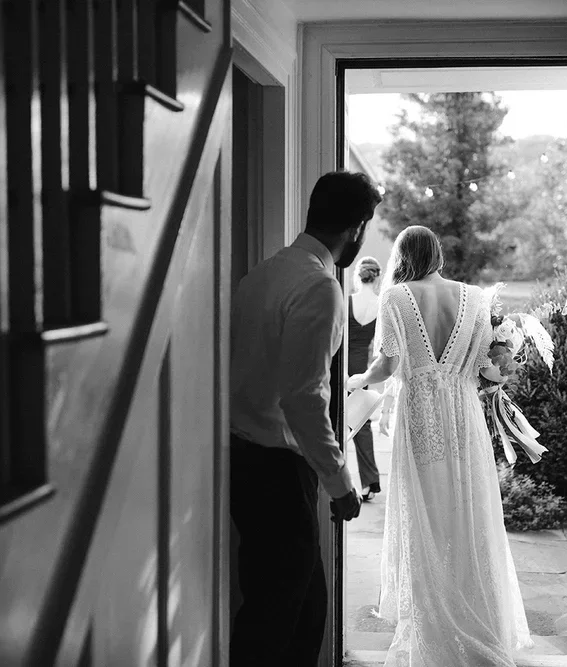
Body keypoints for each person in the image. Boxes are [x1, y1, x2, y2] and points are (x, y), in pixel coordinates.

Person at [347, 225, 534, 666]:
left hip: (421, 417)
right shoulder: (475, 297)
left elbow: (389, 365)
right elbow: (488, 362)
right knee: (468, 513)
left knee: (426, 516)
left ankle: (437, 630)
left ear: (402, 256)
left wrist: (356, 380)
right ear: (437, 254)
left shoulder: (396, 297)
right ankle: (478, 621)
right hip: (463, 417)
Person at [229, 170, 382, 666]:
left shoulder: (266, 272)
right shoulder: (319, 287)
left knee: (300, 608)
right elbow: (305, 398)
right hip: (277, 472)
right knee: (278, 622)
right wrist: (341, 483)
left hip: (244, 458)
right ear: (356, 228)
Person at [347, 256, 382, 501]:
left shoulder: (347, 301)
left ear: (357, 276)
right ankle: (369, 483)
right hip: (362, 370)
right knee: (361, 423)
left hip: (341, 367)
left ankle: (331, 479)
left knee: (333, 419)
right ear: (377, 277)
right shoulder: (380, 305)